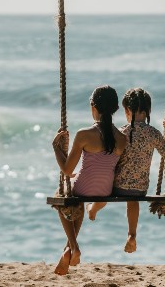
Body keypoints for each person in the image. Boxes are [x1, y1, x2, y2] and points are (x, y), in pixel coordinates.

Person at [87, 87, 165, 254]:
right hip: (140, 188)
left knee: (105, 190)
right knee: (132, 201)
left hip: (116, 186)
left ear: (127, 110)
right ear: (148, 110)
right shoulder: (153, 133)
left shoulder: (122, 132)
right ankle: (131, 234)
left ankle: (93, 209)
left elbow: (107, 155)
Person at [50, 85, 128, 275]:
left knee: (61, 197)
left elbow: (67, 170)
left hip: (84, 187)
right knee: (79, 203)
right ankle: (67, 251)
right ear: (116, 109)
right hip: (105, 190)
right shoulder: (122, 138)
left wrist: (56, 148)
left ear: (93, 106)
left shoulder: (84, 135)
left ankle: (74, 247)